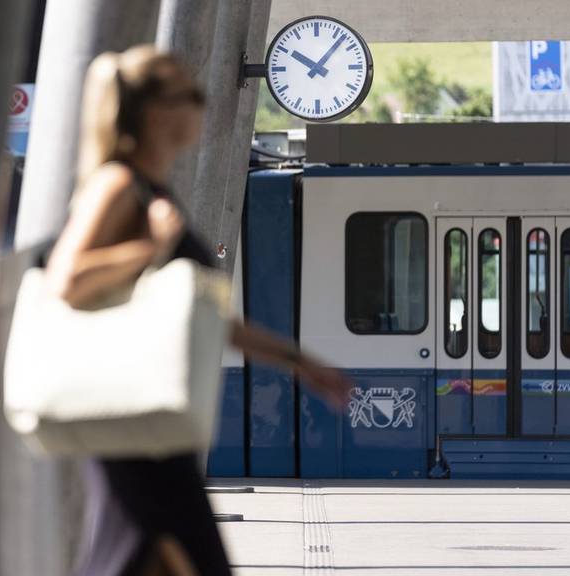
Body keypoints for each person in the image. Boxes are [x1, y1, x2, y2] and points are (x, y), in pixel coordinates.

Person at [44, 45, 352, 576]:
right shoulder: (119, 185)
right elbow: (67, 279)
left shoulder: (152, 189)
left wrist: (298, 361)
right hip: (131, 418)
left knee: (139, 556)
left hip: (149, 421)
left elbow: (195, 310)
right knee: (169, 555)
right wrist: (151, 246)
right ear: (158, 113)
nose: (202, 108)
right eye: (191, 96)